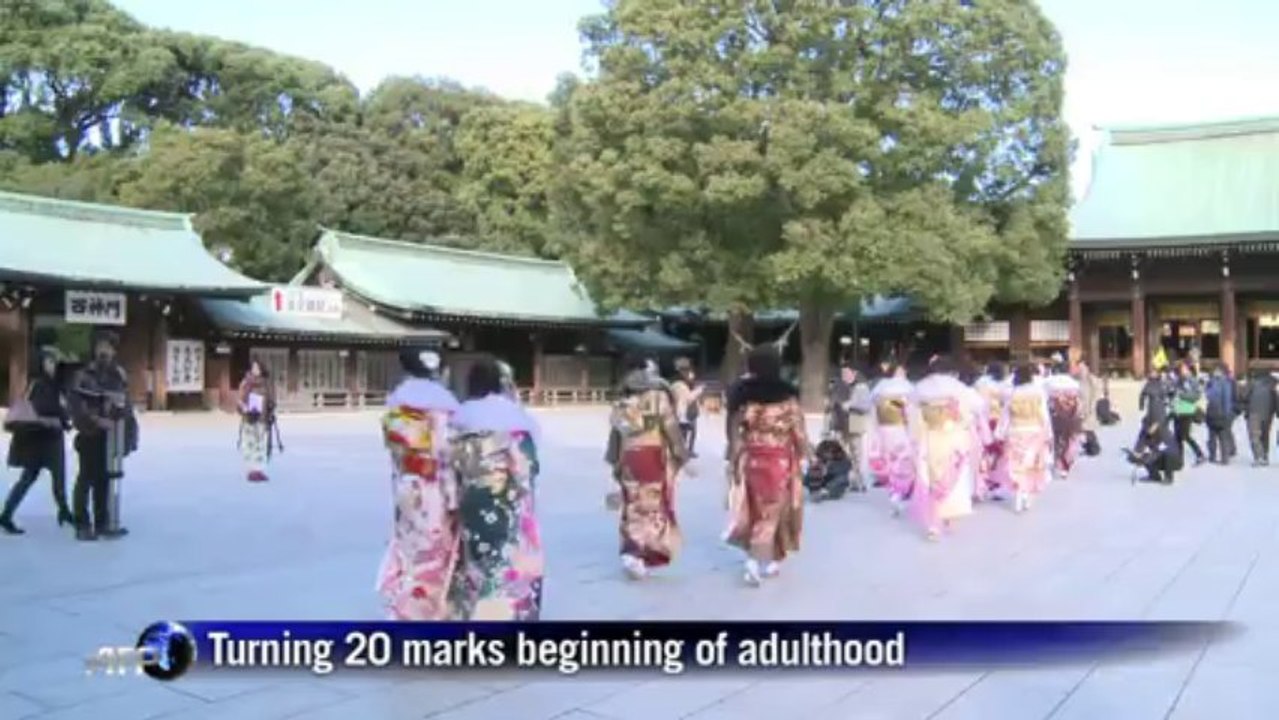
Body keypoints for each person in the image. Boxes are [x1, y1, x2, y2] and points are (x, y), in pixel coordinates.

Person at [448, 357, 544, 620]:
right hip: (505, 498)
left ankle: (477, 615)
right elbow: (527, 469)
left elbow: (449, 465)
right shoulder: (513, 419)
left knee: (476, 560)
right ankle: (507, 617)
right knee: (508, 558)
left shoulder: (458, 420)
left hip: (471, 497)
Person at [377, 348, 461, 620]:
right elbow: (446, 454)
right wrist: (454, 496)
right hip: (432, 487)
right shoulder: (443, 405)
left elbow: (394, 449)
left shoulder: (397, 404)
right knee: (434, 550)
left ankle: (402, 608)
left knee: (407, 546)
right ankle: (427, 612)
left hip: (406, 483)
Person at [725, 346, 809, 586]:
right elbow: (799, 432)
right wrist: (804, 455)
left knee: (753, 508)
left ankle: (769, 559)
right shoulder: (787, 397)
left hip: (751, 457)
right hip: (779, 459)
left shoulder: (743, 395)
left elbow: (734, 428)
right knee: (773, 511)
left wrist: (734, 454)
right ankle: (754, 560)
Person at [605, 356, 690, 580]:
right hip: (653, 455)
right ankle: (641, 553)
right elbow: (670, 427)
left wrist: (615, 462)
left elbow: (616, 435)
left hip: (628, 456)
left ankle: (630, 551)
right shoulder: (659, 396)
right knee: (652, 505)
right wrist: (681, 453)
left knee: (632, 503)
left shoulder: (622, 398)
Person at [68, 331, 136, 542]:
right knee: (86, 478)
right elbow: (76, 406)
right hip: (90, 434)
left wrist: (126, 431)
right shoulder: (82, 375)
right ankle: (81, 523)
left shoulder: (119, 375)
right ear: (94, 349)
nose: (105, 351)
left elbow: (126, 405)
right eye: (101, 346)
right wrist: (96, 421)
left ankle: (103, 522)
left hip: (112, 436)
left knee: (105, 480)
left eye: (109, 347)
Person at [1, 347, 73, 534]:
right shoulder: (41, 384)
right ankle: (63, 511)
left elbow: (58, 409)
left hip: (44, 439)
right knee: (49, 478)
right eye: (48, 361)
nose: (52, 365)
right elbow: (45, 409)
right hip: (45, 439)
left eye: (53, 361)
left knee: (35, 478)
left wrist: (64, 420)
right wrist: (61, 419)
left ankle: (7, 514)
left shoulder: (52, 384)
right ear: (41, 363)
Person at [910, 358, 975, 540]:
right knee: (952, 477)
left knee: (931, 479)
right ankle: (949, 517)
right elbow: (967, 415)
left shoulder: (921, 388)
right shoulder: (957, 388)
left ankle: (932, 525)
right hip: (953, 436)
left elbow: (914, 415)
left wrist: (916, 438)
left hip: (930, 437)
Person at [999, 364, 1052, 513]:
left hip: (1015, 430)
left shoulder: (1012, 393)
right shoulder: (1038, 392)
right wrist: (1048, 432)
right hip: (1034, 430)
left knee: (1016, 464)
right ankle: (1027, 495)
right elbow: (1044, 414)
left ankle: (1018, 492)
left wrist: (1000, 432)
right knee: (1031, 464)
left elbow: (1006, 415)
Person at [866, 367, 916, 512]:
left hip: (885, 429)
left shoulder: (880, 390)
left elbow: (874, 410)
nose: (903, 374)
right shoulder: (904, 389)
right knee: (903, 461)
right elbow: (909, 412)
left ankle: (896, 492)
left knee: (892, 462)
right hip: (898, 429)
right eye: (901, 371)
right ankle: (900, 492)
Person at [824, 364, 872, 492]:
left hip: (856, 420)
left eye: (848, 373)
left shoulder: (861, 387)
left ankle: (858, 481)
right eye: (843, 374)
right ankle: (844, 479)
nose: (845, 376)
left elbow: (867, 406)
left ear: (854, 373)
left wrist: (850, 405)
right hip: (840, 423)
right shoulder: (837, 387)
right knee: (842, 453)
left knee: (857, 453)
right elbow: (830, 406)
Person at [236, 361, 276, 482]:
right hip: (249, 418)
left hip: (262, 419)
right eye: (253, 367)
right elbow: (240, 400)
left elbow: (272, 399)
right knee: (250, 444)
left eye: (257, 367)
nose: (255, 370)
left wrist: (271, 410)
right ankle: (251, 470)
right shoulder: (245, 383)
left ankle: (259, 470)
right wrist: (244, 409)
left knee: (261, 445)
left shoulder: (267, 384)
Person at [974, 364, 1010, 498]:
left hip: (983, 420)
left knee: (985, 452)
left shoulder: (980, 384)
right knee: (999, 454)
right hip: (999, 420)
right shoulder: (1005, 386)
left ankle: (985, 481)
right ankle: (997, 483)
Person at [1044, 367, 1083, 479]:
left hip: (1057, 419)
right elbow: (1079, 407)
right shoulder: (1074, 388)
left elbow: (1048, 406)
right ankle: (1064, 466)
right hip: (1072, 420)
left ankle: (1056, 463)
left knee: (1056, 442)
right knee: (1070, 443)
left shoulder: (1052, 389)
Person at [1126, 413, 1183, 484]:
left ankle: (1169, 477)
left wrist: (1149, 456)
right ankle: (1154, 476)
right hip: (1158, 458)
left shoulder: (1165, 434)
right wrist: (1135, 456)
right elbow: (1139, 446)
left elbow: (1161, 450)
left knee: (1167, 454)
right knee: (1144, 456)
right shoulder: (1144, 433)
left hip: (1173, 462)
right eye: (1146, 425)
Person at [1170, 361, 1206, 466]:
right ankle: (1179, 459)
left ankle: (1200, 454)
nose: (1182, 371)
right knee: (1177, 436)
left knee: (1185, 435)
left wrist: (1182, 395)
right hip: (1177, 409)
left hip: (1187, 410)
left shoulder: (1192, 380)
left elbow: (1196, 396)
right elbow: (1172, 392)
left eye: (1184, 368)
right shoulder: (1177, 380)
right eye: (1180, 369)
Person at [670, 358, 703, 458]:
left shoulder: (688, 378)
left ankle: (689, 450)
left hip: (691, 408)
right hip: (683, 409)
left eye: (687, 368)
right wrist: (699, 390)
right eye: (684, 369)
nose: (687, 370)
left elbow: (692, 389)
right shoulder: (678, 383)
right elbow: (688, 397)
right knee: (683, 431)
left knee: (693, 430)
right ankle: (682, 450)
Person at [1243, 369, 1278, 466]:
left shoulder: (1252, 384)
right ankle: (1265, 456)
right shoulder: (1272, 386)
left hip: (1254, 411)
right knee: (1265, 435)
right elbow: (1276, 400)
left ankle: (1258, 456)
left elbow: (1244, 396)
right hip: (1268, 414)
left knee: (1254, 435)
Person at [1204, 365, 1237, 465]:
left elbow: (1227, 399)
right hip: (1211, 412)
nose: (1216, 373)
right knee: (1212, 436)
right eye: (1215, 371)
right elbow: (1205, 396)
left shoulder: (1225, 383)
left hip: (1221, 413)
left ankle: (1224, 457)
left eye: (1218, 371)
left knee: (1222, 436)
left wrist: (1227, 413)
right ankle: (1212, 456)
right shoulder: (1210, 383)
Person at [1075, 360, 1101, 454]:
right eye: (1079, 367)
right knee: (1084, 428)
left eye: (1081, 367)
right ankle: (1090, 446)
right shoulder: (1079, 380)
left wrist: (1091, 406)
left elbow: (1095, 394)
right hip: (1082, 405)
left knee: (1088, 428)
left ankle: (1094, 447)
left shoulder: (1090, 379)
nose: (1080, 369)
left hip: (1088, 405)